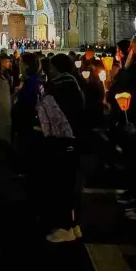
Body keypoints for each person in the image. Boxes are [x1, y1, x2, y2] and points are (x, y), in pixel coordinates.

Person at [44, 53, 87, 243]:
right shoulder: (74, 83)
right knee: (71, 184)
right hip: (74, 139)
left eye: (52, 67)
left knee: (63, 183)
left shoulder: (61, 86)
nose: (49, 70)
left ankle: (65, 227)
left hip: (64, 141)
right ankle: (74, 223)